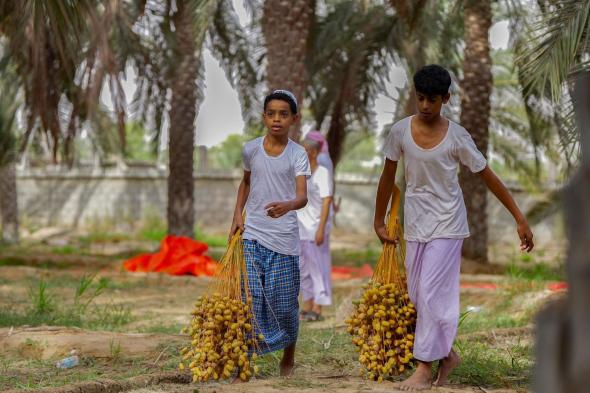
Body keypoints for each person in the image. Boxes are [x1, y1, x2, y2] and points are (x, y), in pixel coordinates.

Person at [373, 64, 534, 391]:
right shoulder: (400, 132)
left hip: (447, 223)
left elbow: (488, 176)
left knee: (432, 294)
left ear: (446, 98)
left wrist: (519, 217)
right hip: (415, 224)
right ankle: (447, 357)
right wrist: (378, 219)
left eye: (433, 99)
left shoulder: (458, 136)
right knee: (418, 296)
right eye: (420, 98)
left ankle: (423, 367)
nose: (426, 106)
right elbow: (388, 177)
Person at [230, 89, 310, 378]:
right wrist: (237, 216)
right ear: (264, 116)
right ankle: (243, 357)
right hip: (253, 235)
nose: (277, 119)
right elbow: (246, 183)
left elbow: (302, 197)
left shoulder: (298, 154)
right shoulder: (251, 149)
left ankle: (288, 356)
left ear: (293, 119)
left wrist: (287, 205)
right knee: (247, 298)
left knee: (284, 303)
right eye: (272, 113)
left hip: (284, 240)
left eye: (283, 114)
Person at [297, 138, 334, 322]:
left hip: (316, 229)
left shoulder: (322, 172)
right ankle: (307, 304)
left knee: (318, 268)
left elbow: (327, 200)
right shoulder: (300, 173)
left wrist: (321, 228)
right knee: (303, 268)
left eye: (302, 150)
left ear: (312, 152)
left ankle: (318, 308)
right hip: (301, 229)